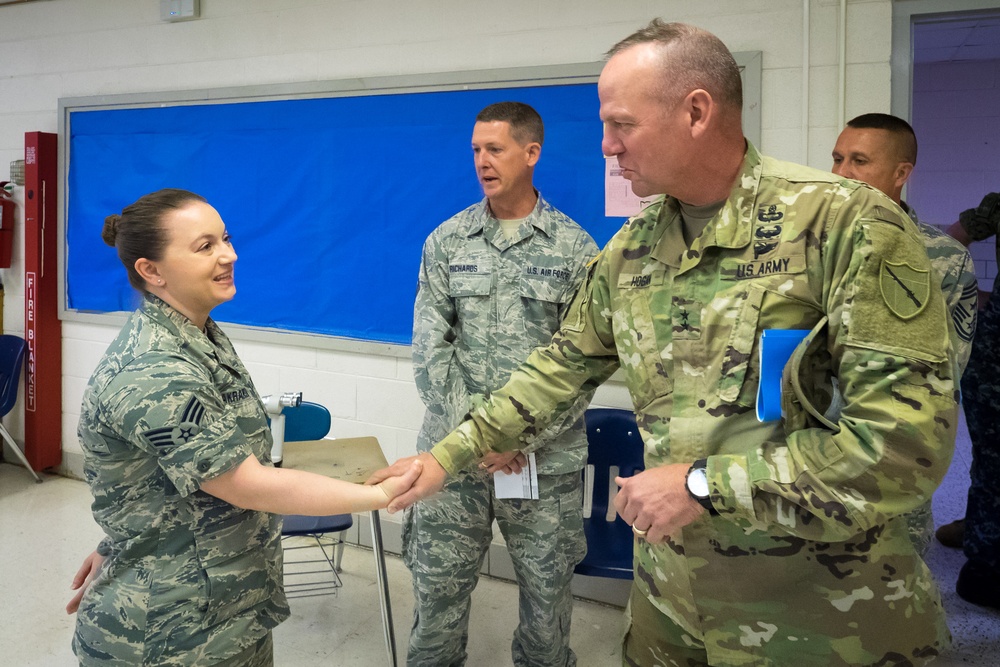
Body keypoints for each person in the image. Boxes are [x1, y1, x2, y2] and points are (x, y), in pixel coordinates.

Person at [371, 20, 959, 666]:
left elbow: (903, 447)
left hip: (816, 615)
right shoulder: (635, 249)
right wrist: (449, 454)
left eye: (621, 124)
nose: (606, 146)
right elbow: (559, 367)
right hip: (670, 611)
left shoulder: (845, 225)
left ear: (696, 112)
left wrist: (705, 484)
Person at [67, 188, 421, 667]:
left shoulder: (198, 334)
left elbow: (152, 478)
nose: (228, 255)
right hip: (174, 632)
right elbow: (246, 485)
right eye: (204, 246)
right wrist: (381, 496)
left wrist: (121, 539)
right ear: (152, 271)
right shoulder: (156, 369)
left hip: (225, 604)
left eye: (225, 239)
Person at [406, 101, 599, 667]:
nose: (482, 161)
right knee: (436, 593)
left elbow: (583, 363)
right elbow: (429, 348)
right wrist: (479, 434)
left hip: (542, 462)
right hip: (453, 455)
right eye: (475, 150)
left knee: (546, 603)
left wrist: (520, 436)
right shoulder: (448, 240)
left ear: (531, 152)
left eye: (495, 149)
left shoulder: (574, 248)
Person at [830, 112, 978, 555]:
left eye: (859, 160)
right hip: (810, 447)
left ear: (901, 173)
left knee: (893, 583)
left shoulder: (942, 258)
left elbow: (946, 370)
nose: (841, 173)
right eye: (837, 158)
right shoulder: (809, 246)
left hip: (891, 453)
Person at [940, 192, 1000, 608]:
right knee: (993, 453)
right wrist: (973, 298)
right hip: (996, 353)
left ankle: (984, 540)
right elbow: (951, 241)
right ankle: (983, 549)